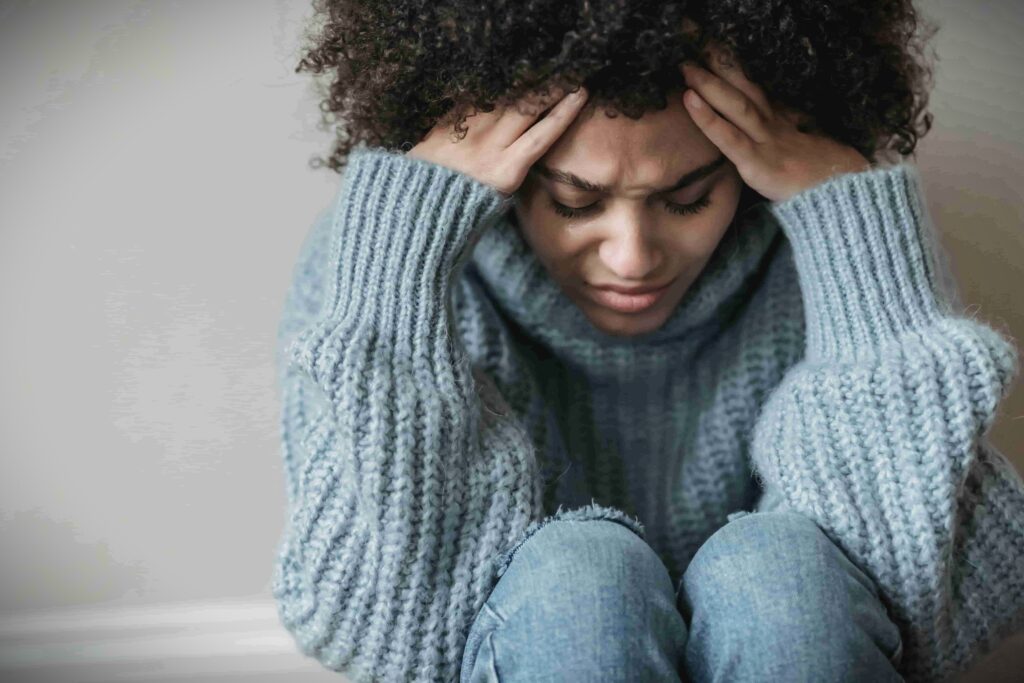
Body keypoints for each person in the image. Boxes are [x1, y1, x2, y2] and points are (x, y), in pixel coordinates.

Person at [271, 2, 1024, 681]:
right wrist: (402, 259)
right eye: (574, 202)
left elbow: (921, 611)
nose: (632, 257)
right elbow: (393, 636)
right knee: (580, 579)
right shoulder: (391, 262)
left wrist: (848, 220)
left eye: (689, 197)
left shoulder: (844, 239)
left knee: (782, 574)